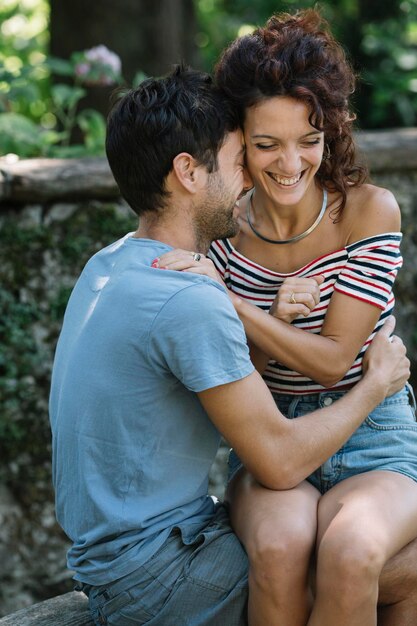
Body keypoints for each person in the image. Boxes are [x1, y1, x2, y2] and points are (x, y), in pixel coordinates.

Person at [49, 64, 410, 626]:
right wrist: (376, 384)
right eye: (244, 158)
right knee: (384, 576)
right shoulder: (192, 293)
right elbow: (283, 459)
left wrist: (259, 317)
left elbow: (226, 379)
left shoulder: (112, 262)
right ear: (189, 171)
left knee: (340, 552)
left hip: (118, 560)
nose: (251, 179)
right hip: (164, 570)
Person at [155, 10, 417, 626]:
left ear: (332, 132)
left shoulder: (366, 212)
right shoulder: (218, 229)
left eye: (309, 141)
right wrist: (266, 317)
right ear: (236, 140)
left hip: (373, 439)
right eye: (266, 143)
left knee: (351, 551)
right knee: (278, 548)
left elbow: (332, 363)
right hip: (271, 439)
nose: (291, 164)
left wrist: (233, 303)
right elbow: (236, 379)